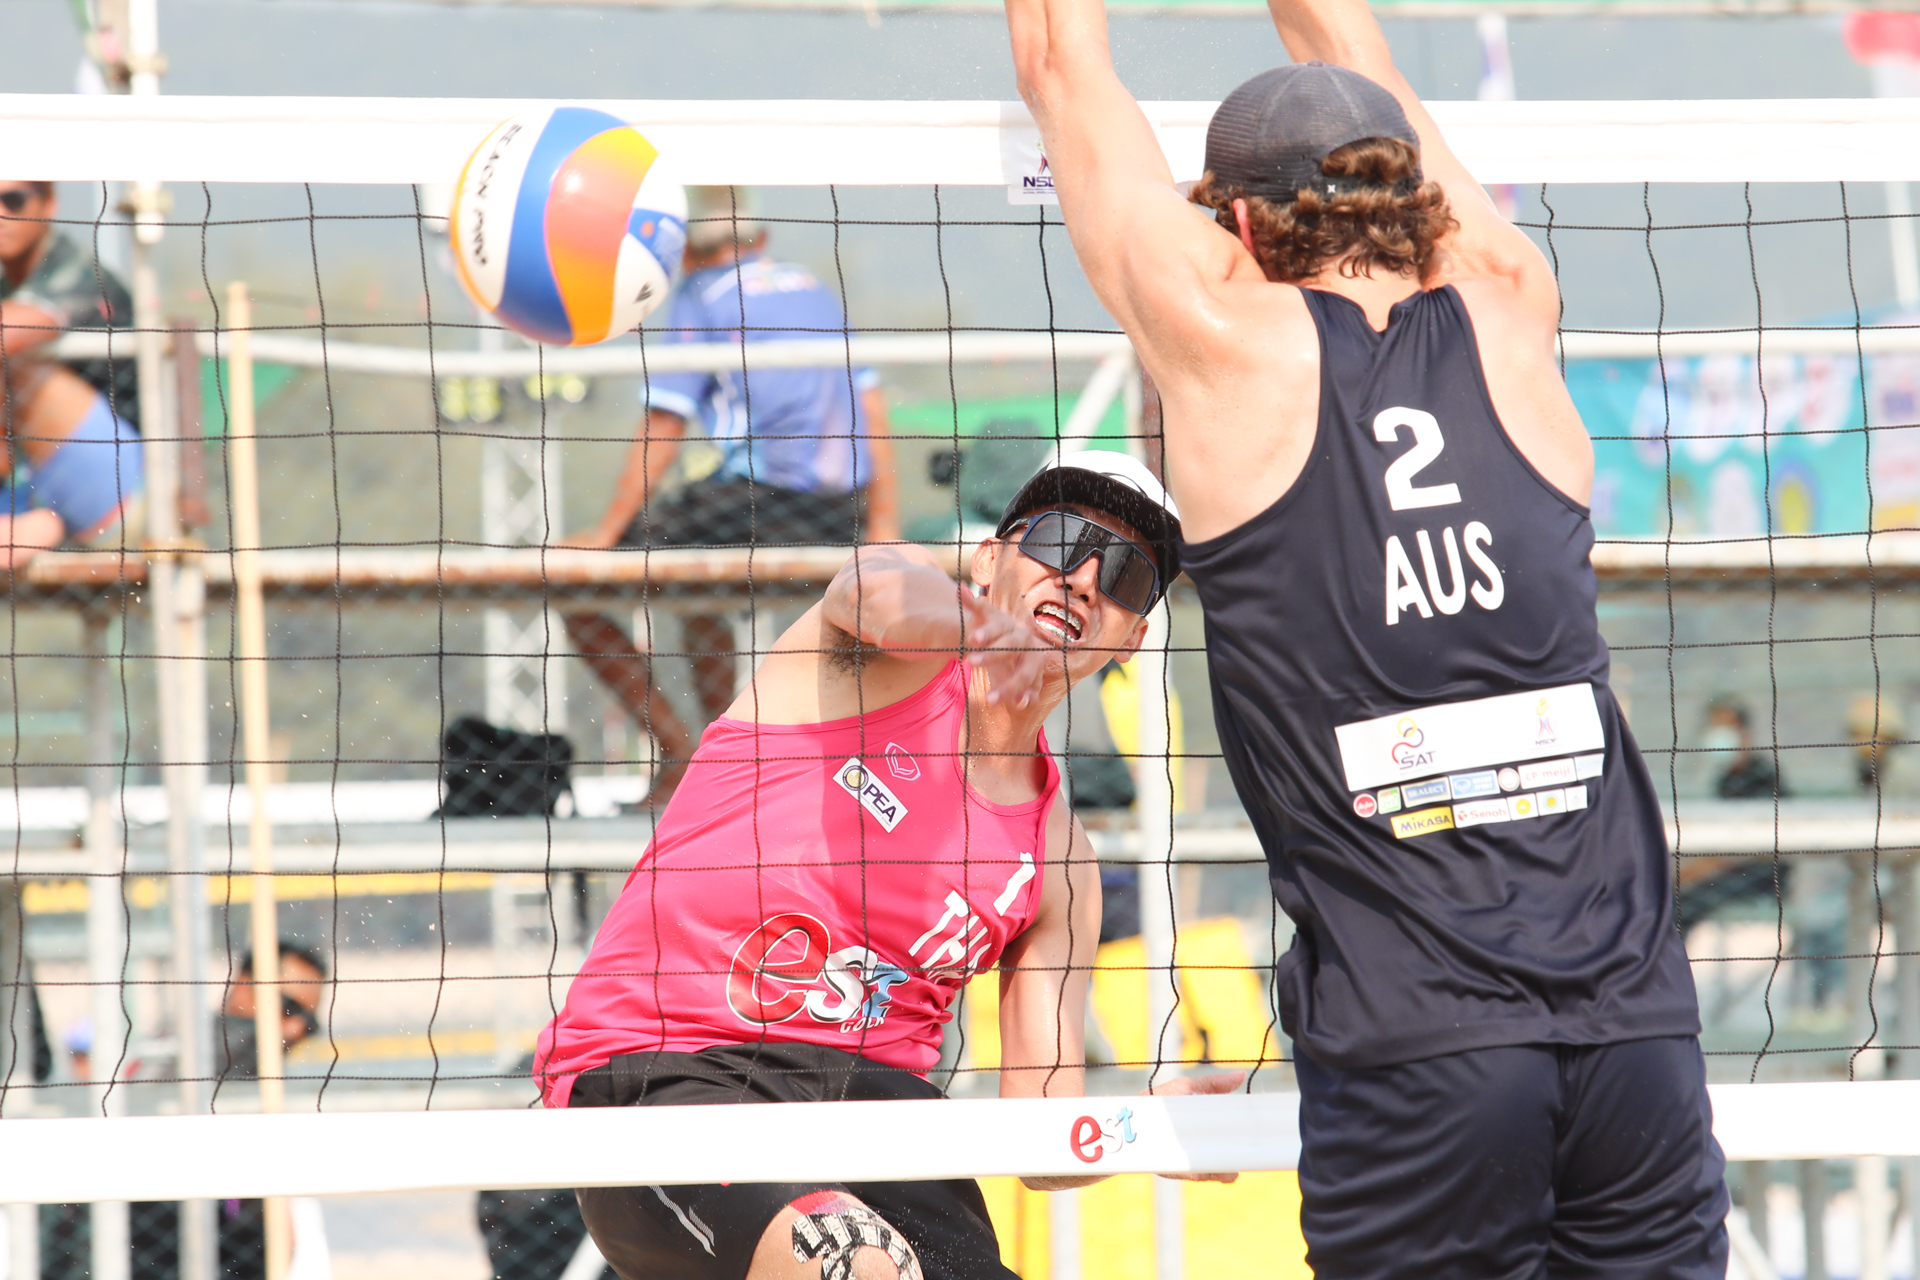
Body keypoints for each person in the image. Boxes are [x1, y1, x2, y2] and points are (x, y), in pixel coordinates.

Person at [1004, 2, 1725, 1277]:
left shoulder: (1231, 345)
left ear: (1237, 228)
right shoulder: (1514, 302)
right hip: (1636, 1036)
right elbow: (1362, 61)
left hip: (1419, 1049)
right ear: (1413, 199)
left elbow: (1063, 60)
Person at [536, 450, 1236, 1280]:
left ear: (1133, 639)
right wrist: (985, 631)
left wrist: (1145, 1127)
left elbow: (1041, 1137)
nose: (1083, 579)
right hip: (674, 1075)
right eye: (1060, 541)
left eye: (1124, 574)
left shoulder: (1061, 865)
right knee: (855, 1262)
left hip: (881, 1130)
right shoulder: (865, 663)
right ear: (987, 561)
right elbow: (877, 591)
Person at [562, 186, 900, 806]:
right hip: (841, 513)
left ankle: (685, 755)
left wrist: (606, 533)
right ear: (761, 239)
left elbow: (666, 423)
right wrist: (884, 527)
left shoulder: (703, 296)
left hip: (760, 506)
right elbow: (872, 407)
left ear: (683, 254)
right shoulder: (814, 288)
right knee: (696, 588)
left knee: (565, 579)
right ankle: (730, 761)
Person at [0, 180, 146, 569]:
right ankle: (30, 521)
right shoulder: (6, 282)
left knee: (16, 362)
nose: (1, 213)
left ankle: (34, 523)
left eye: (13, 199)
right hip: (38, 481)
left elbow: (11, 331)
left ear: (49, 202)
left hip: (127, 487)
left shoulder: (81, 273)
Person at [217, 941, 326, 1080]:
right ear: (242, 986)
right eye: (290, 1007)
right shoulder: (195, 1056)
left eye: (310, 1023)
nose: (296, 1028)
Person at [1703, 694, 1787, 799]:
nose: (1721, 735)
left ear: (1744, 731)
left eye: (1728, 726)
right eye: (1716, 727)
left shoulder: (1764, 777)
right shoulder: (1722, 779)